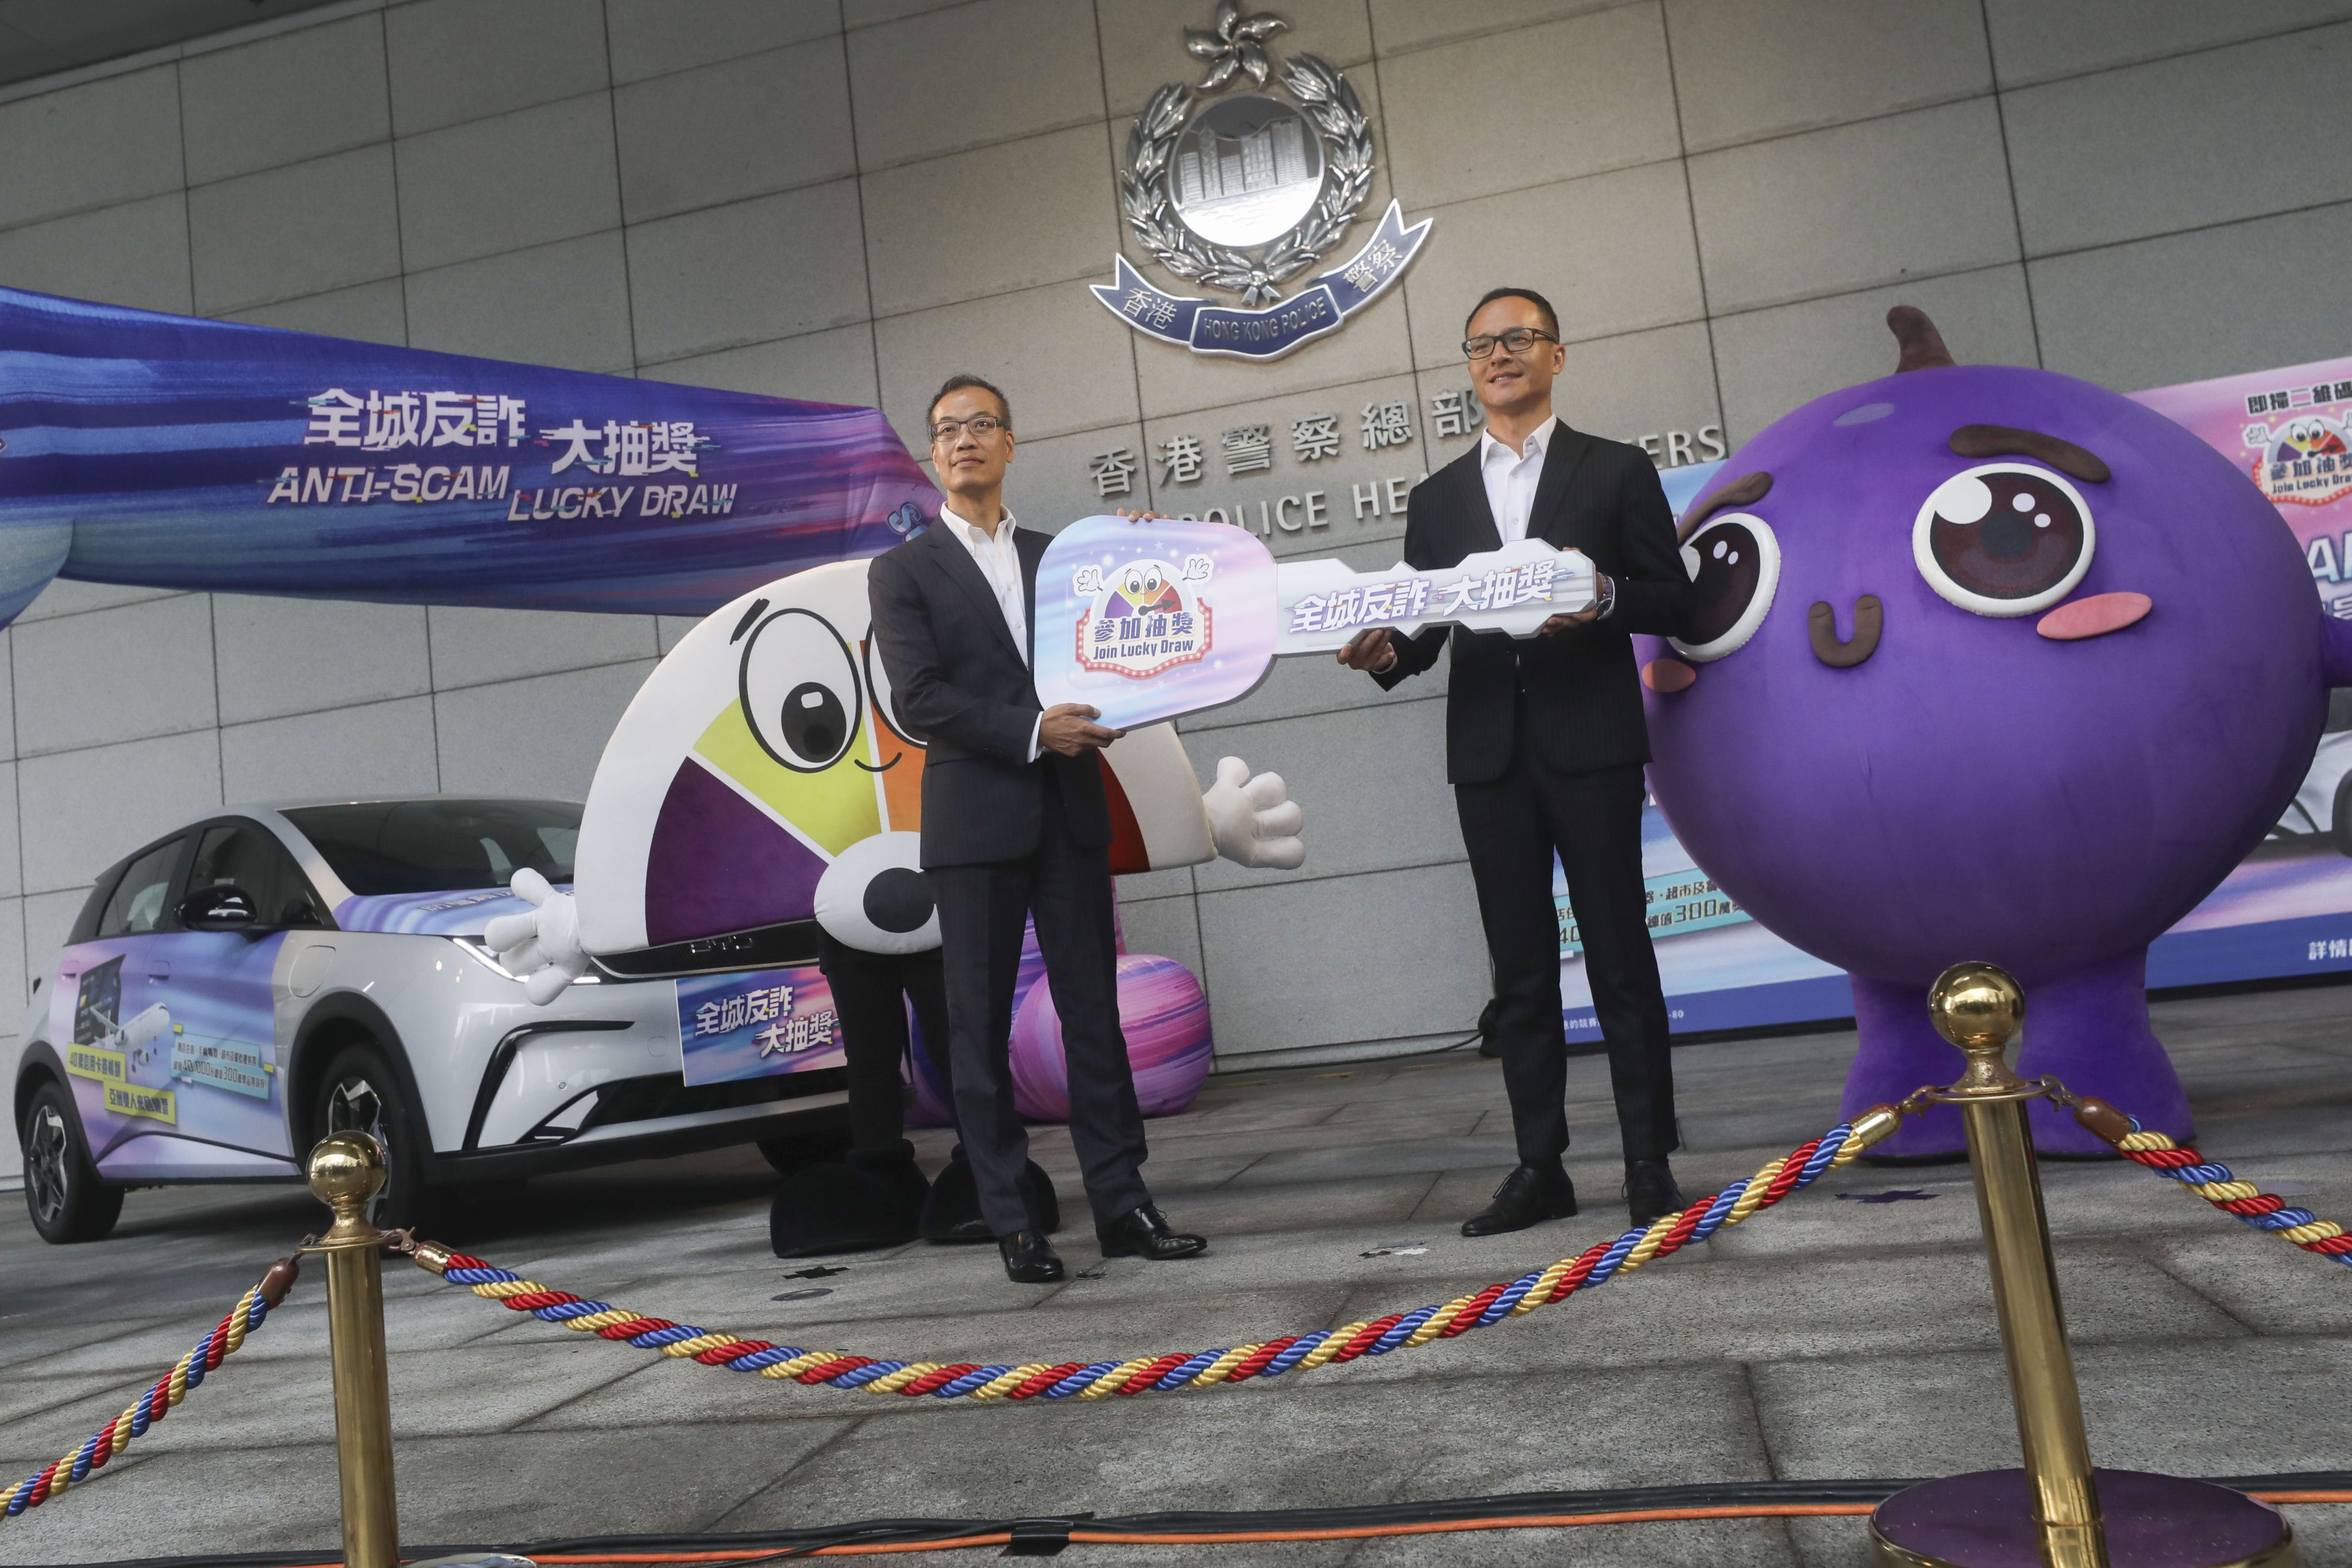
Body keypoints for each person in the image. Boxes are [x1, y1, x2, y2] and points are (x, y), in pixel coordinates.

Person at [1338, 287, 1696, 1236]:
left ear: (1557, 355)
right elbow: (1423, 629)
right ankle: (1542, 1166)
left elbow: (1679, 599)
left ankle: (1648, 1159)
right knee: (1522, 970)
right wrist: (1386, 653)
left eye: (1521, 338)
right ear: (1469, 366)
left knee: (1620, 955)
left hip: (1593, 745)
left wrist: (1607, 594)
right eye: (1484, 344)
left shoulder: (1615, 469)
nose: (1501, 355)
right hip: (1490, 759)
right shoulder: (1437, 496)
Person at [867, 373, 1208, 1283]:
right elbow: (920, 698)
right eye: (947, 429)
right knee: (976, 1028)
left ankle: (1124, 1204)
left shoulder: (1066, 560)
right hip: (975, 820)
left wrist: (1148, 559)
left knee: (1093, 1015)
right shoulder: (901, 571)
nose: (965, 440)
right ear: (932, 454)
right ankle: (1012, 1217)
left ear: (1011, 444)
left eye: (982, 425)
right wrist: (1031, 730)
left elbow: (1134, 644)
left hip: (1067, 810)